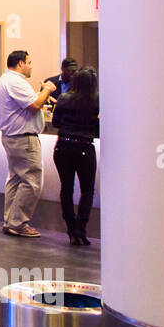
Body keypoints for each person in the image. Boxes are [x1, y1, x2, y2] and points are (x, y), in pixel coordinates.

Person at [0, 50, 58, 238]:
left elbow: (27, 103)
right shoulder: (15, 82)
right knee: (31, 181)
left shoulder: (5, 81)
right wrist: (47, 89)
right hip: (23, 138)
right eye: (29, 62)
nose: (31, 66)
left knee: (15, 179)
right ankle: (18, 222)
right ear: (20, 63)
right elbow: (34, 105)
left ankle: (10, 220)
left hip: (13, 137)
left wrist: (40, 94)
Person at [52, 67, 99, 246]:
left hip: (63, 146)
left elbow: (56, 122)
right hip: (85, 147)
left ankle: (71, 229)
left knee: (66, 188)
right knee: (87, 191)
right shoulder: (96, 100)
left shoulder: (63, 98)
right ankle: (81, 229)